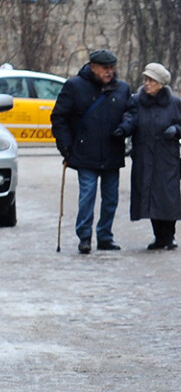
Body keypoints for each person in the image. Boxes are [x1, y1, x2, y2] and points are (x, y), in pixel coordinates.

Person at [51, 49, 132, 254]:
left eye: (112, 67)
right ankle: (84, 237)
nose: (109, 71)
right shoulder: (74, 86)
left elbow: (132, 113)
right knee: (87, 196)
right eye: (105, 68)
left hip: (112, 152)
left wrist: (125, 128)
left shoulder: (122, 89)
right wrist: (65, 147)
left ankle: (105, 236)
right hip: (85, 152)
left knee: (111, 198)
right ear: (92, 67)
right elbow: (59, 117)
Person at [114, 63, 181, 250]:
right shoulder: (137, 101)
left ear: (161, 83)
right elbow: (131, 120)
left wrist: (176, 130)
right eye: (146, 80)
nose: (147, 84)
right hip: (144, 154)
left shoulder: (174, 103)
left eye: (151, 80)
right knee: (149, 195)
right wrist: (123, 130)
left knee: (167, 196)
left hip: (166, 156)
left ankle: (169, 236)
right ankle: (159, 236)